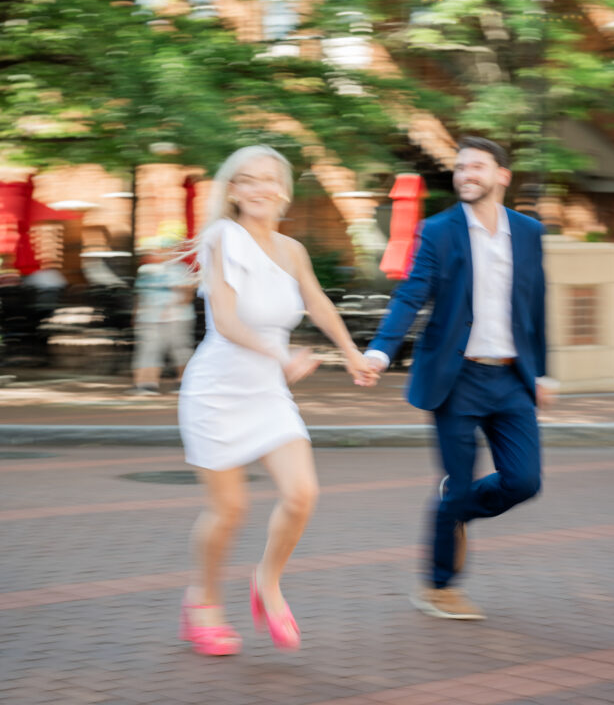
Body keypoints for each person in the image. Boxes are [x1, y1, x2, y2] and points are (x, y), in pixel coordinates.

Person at [178, 145, 378, 656]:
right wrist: (280, 353)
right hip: (217, 391)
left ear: (284, 190)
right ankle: (201, 602)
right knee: (229, 510)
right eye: (247, 180)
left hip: (267, 392)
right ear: (234, 191)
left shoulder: (292, 251)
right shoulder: (222, 238)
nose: (259, 188)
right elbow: (225, 320)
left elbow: (317, 302)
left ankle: (267, 582)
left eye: (269, 179)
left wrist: (352, 353)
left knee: (302, 495)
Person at [364, 136, 555, 620]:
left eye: (476, 167)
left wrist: (546, 371)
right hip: (457, 378)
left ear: (501, 176)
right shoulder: (439, 230)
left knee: (524, 480)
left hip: (511, 378)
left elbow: (536, 306)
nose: (465, 174)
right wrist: (381, 352)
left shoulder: (529, 232)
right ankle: (439, 587)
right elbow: (411, 296)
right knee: (460, 475)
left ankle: (458, 510)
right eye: (460, 168)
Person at [129, 239, 196, 395]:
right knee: (148, 350)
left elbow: (187, 293)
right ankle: (146, 384)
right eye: (163, 249)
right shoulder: (146, 270)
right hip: (150, 318)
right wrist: (137, 314)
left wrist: (173, 309)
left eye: (170, 249)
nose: (166, 253)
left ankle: (185, 382)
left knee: (180, 350)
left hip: (177, 318)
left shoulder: (181, 270)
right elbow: (140, 295)